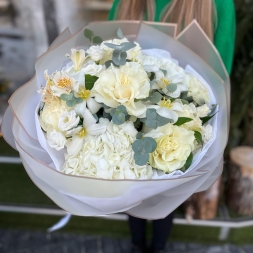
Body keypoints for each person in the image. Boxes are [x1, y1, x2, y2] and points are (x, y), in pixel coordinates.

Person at [109, 1, 236, 252]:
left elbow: (219, 81)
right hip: (125, 119)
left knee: (160, 192)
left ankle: (154, 246)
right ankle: (140, 245)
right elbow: (109, 53)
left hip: (182, 126)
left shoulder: (217, 4)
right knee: (135, 188)